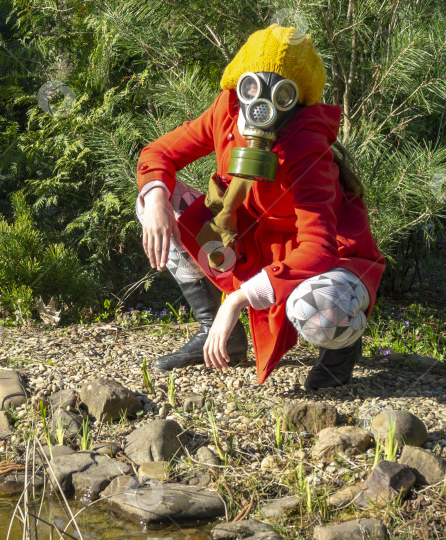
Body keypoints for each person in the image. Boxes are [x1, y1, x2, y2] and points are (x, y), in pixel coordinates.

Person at [135, 24, 386, 389]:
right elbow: (159, 152)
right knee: (156, 201)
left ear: (297, 100)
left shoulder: (306, 144)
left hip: (326, 261)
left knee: (320, 306)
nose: (260, 104)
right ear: (239, 83)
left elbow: (317, 249)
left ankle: (341, 348)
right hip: (252, 245)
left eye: (280, 93)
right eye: (252, 87)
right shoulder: (227, 111)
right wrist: (156, 197)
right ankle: (218, 334)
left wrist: (237, 298)